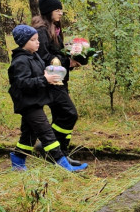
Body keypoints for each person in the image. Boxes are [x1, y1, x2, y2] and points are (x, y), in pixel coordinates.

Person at [7, 24, 87, 172]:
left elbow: (44, 70)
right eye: (33, 40)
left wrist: (66, 64)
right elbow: (22, 83)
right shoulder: (20, 61)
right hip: (27, 103)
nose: (38, 42)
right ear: (23, 42)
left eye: (37, 39)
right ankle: (63, 165)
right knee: (46, 133)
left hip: (35, 101)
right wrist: (45, 80)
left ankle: (18, 163)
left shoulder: (34, 56)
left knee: (28, 135)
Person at [33, 0, 87, 166]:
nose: (61, 13)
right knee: (69, 114)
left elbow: (55, 53)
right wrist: (66, 61)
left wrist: (73, 55)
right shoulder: (41, 31)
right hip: (50, 81)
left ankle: (58, 154)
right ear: (48, 11)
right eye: (57, 10)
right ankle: (53, 149)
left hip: (60, 78)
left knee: (60, 116)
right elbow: (43, 57)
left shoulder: (54, 29)